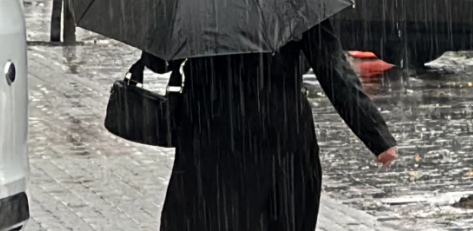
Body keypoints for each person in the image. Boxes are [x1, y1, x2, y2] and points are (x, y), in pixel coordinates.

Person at [143, 19, 397, 231]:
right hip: (281, 139)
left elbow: (158, 62)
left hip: (211, 136)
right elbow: (330, 64)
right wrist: (376, 136)